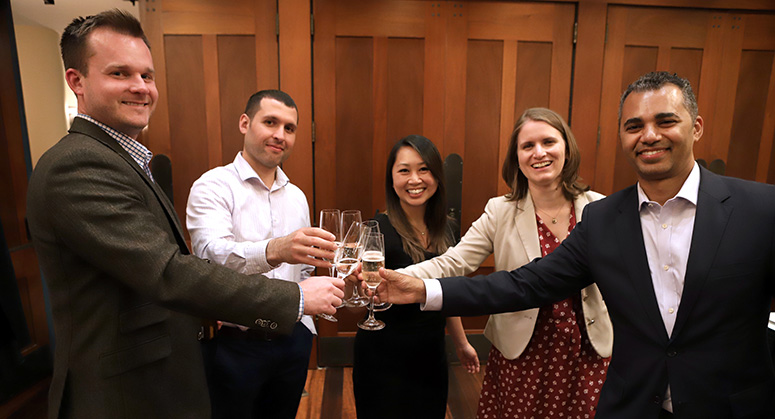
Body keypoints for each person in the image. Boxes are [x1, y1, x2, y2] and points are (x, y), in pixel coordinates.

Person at [379, 71, 775, 418]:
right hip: (589, 384)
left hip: (683, 391)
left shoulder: (760, 210)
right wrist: (416, 285)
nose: (649, 135)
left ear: (697, 127)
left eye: (666, 121)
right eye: (634, 125)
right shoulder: (599, 219)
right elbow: (518, 282)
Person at [25, 10, 343, 418]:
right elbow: (172, 271)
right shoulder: (79, 165)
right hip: (125, 387)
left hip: (256, 344)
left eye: (147, 76)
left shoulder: (126, 161)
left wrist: (305, 309)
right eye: (120, 73)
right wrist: (295, 297)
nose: (140, 88)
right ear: (77, 81)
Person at [399, 108, 612, 418]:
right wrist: (395, 277)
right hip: (522, 355)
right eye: (527, 146)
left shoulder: (600, 207)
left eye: (548, 142)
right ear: (517, 157)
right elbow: (453, 262)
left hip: (587, 352)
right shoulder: (500, 211)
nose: (539, 153)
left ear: (566, 147)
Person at [186, 89, 337, 418]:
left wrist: (305, 328)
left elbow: (305, 271)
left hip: (292, 340)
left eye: (289, 128)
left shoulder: (297, 196)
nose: (279, 135)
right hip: (234, 344)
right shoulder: (213, 186)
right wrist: (276, 249)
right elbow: (210, 259)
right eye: (270, 122)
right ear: (245, 123)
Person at [351, 135, 478, 419]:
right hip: (383, 353)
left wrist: (461, 343)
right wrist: (357, 283)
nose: (415, 179)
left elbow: (449, 292)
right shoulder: (377, 228)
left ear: (436, 176)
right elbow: (361, 290)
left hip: (430, 350)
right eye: (404, 170)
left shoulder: (448, 228)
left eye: (424, 169)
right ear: (392, 178)